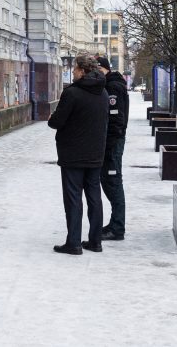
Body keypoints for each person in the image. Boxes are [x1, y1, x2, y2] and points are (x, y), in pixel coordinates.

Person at [48, 53, 109, 255]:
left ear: (82, 71)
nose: (72, 72)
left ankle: (73, 242)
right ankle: (95, 241)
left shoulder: (72, 93)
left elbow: (56, 121)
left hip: (73, 154)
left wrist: (53, 117)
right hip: (95, 153)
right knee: (94, 198)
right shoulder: (103, 93)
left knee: (73, 198)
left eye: (74, 69)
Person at [97, 56, 129, 241]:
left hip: (113, 142)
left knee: (113, 181)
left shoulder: (113, 87)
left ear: (103, 69)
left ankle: (117, 227)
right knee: (109, 180)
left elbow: (116, 120)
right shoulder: (111, 84)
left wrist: (108, 145)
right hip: (112, 141)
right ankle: (115, 223)